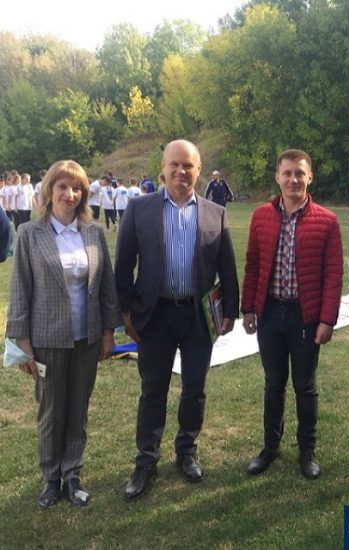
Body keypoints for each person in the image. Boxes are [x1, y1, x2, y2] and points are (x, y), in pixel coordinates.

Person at [115, 139, 240, 501]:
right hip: (155, 316)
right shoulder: (139, 209)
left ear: (198, 169)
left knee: (195, 388)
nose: (181, 171)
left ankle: (186, 451)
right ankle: (146, 461)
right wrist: (126, 313)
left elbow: (227, 268)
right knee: (153, 390)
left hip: (198, 316)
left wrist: (230, 311)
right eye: (174, 164)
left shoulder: (215, 213)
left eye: (188, 165)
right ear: (163, 168)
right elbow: (123, 265)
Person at [5, 160, 119, 508]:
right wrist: (21, 343)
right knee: (51, 410)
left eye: (77, 188)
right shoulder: (30, 234)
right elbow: (20, 290)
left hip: (86, 338)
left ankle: (72, 475)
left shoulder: (93, 232)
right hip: (47, 338)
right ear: (49, 191)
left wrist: (108, 332)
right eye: (63, 187)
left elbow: (107, 287)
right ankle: (50, 479)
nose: (70, 194)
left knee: (78, 409)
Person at [241, 149, 343, 480]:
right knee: (274, 383)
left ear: (309, 177)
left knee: (305, 385)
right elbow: (253, 264)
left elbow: (333, 275)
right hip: (270, 313)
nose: (293, 179)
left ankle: (307, 451)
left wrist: (327, 319)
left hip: (305, 316)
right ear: (278, 177)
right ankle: (270, 447)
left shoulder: (326, 221)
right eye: (287, 173)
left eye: (300, 173)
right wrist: (248, 308)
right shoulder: (261, 216)